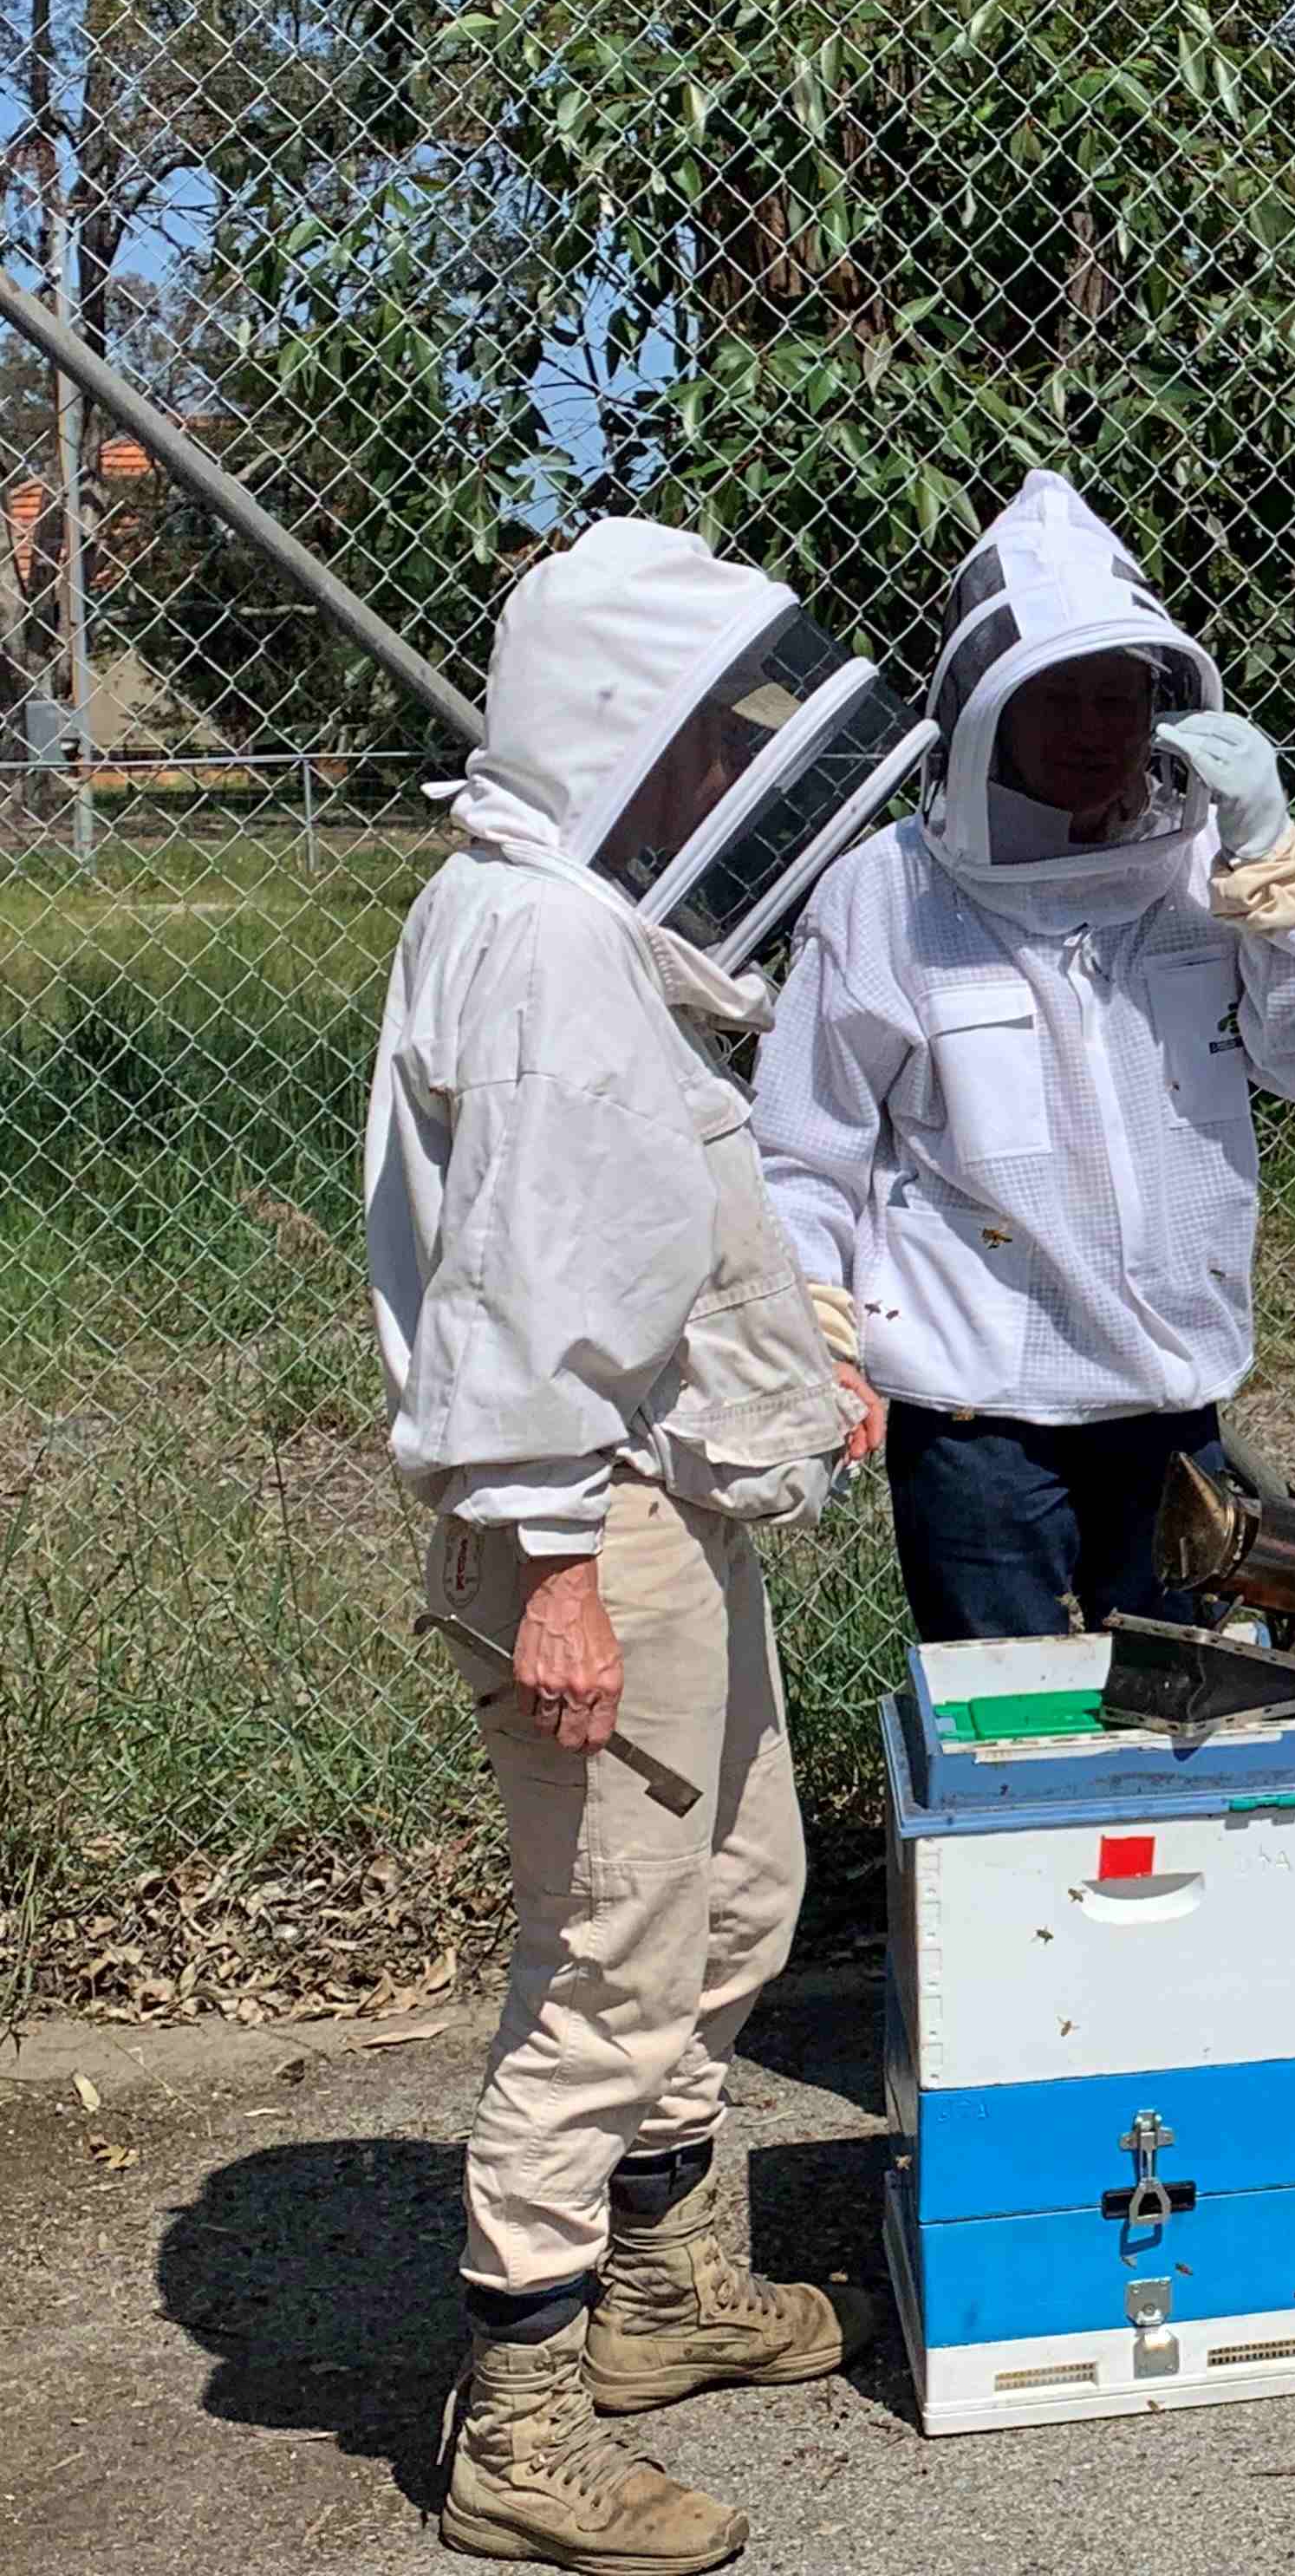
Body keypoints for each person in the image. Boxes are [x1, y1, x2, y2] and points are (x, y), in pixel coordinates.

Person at [372, 521, 918, 2573]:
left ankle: (662, 2294)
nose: (718, 787)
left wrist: (791, 1359)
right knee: (605, 1965)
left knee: (736, 1890)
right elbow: (524, 1283)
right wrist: (552, 1560)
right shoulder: (534, 947)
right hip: (590, 1525)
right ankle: (517, 2418)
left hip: (653, 1509)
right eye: (697, 745)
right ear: (614, 728)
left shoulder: (579, 933)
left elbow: (648, 1226)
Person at [753, 472, 1295, 1640]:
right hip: (978, 1409)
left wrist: (1278, 877)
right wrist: (821, 1328)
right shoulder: (885, 894)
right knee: (1013, 1745)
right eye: (1062, 700)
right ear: (990, 712)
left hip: (1173, 1387)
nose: (1096, 732)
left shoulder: (1207, 866)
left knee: (1181, 1722)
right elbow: (807, 1149)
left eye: (1119, 698)